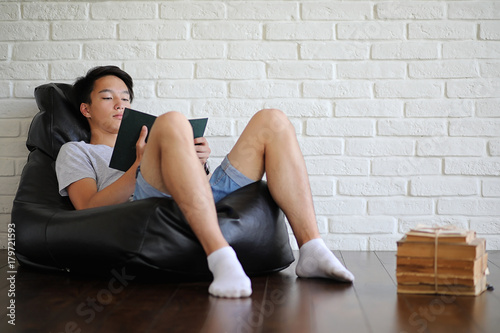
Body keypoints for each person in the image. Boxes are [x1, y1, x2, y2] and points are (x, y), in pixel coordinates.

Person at [55, 66, 354, 298]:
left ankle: (311, 249)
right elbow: (86, 210)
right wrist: (139, 164)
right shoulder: (77, 151)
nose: (119, 104)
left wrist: (198, 163)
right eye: (108, 98)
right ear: (86, 109)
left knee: (272, 119)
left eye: (125, 98)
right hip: (146, 203)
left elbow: (200, 190)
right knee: (172, 120)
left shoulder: (151, 142)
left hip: (193, 197)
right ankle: (220, 257)